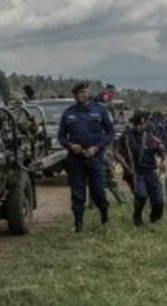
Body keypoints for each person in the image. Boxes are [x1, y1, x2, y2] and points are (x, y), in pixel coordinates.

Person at [58, 83, 115, 233]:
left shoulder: (100, 111)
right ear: (74, 95)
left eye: (84, 92)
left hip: (95, 158)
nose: (81, 95)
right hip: (76, 160)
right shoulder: (68, 113)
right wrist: (70, 145)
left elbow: (110, 133)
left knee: (99, 192)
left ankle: (104, 218)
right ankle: (78, 225)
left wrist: (97, 148)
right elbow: (61, 136)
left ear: (89, 93)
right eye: (78, 93)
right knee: (77, 194)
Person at [118, 111, 166, 226]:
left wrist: (162, 162)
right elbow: (116, 152)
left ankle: (155, 218)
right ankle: (137, 216)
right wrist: (126, 166)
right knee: (141, 195)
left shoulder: (151, 137)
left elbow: (161, 152)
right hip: (136, 172)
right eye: (137, 124)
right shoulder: (126, 136)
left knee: (159, 200)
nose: (140, 126)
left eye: (142, 124)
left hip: (150, 172)